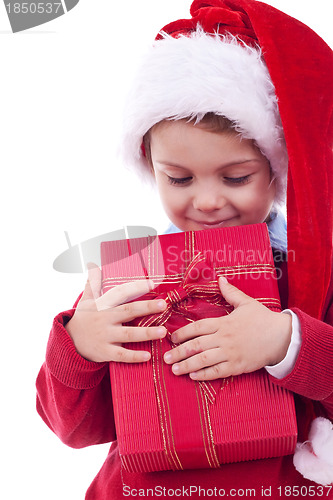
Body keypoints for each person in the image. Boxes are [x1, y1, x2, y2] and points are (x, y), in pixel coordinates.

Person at [36, 0, 333, 498]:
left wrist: (288, 343)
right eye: (179, 178)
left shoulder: (316, 271)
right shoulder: (133, 275)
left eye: (236, 177)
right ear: (151, 168)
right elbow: (74, 430)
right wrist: (79, 346)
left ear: (277, 170)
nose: (209, 201)